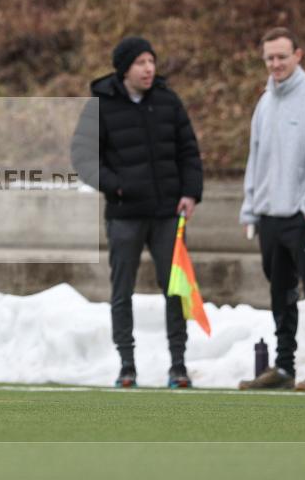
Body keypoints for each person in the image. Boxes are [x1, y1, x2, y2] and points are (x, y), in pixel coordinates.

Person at [71, 37, 203, 388]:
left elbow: (189, 151)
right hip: (124, 215)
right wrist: (117, 185)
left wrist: (191, 193)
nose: (149, 69)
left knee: (176, 290)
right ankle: (126, 365)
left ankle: (179, 366)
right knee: (122, 290)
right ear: (124, 68)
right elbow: (84, 158)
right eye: (141, 62)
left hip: (167, 216)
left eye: (152, 61)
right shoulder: (100, 105)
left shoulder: (168, 101)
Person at [238, 27, 305, 391]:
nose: (276, 64)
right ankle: (283, 368)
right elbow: (256, 159)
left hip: (302, 218)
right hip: (269, 216)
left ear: (298, 55)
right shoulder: (264, 103)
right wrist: (251, 208)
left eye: (282, 56)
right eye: (270, 58)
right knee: (280, 293)